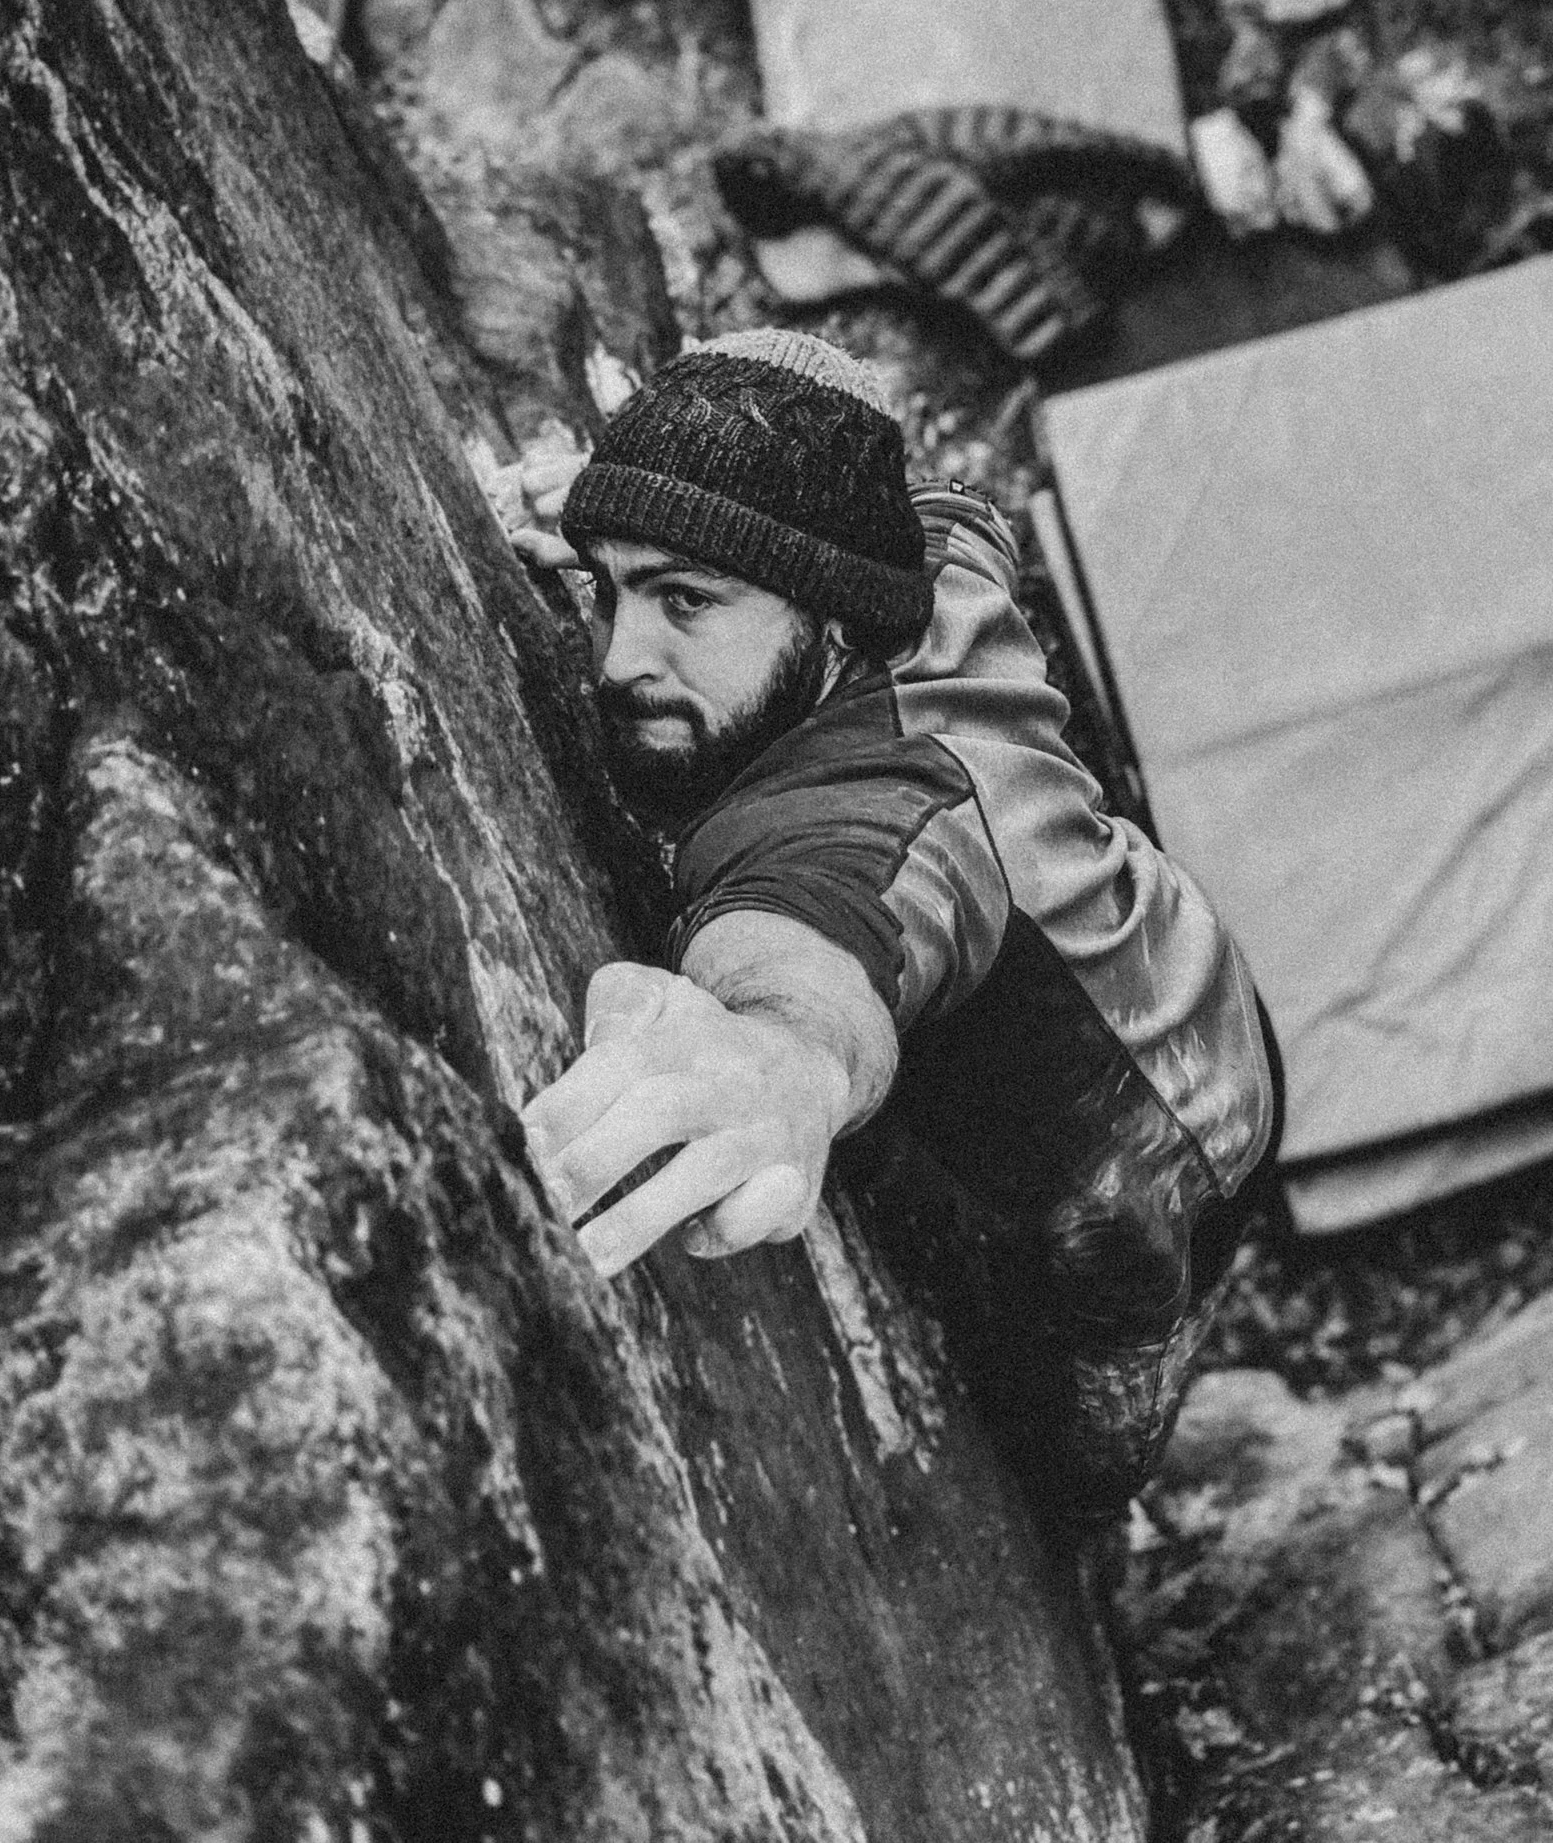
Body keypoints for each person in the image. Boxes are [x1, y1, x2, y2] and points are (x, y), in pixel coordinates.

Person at [499, 327, 1280, 1519]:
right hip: (1165, 957)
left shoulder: (879, 817)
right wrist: (656, 525)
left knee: (1079, 1440)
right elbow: (931, 501)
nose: (616, 656)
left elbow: (826, 941)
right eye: (609, 588)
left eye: (685, 602)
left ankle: (1092, 1525)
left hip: (1156, 1143)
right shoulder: (930, 569)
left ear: (839, 618)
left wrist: (779, 1064)